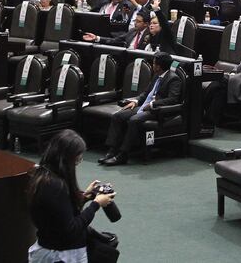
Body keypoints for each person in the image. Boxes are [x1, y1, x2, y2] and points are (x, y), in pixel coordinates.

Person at [27, 129, 116, 263]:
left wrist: (84, 197)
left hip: (52, 249)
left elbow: (59, 213)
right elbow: (71, 229)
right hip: (61, 256)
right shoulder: (55, 186)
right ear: (66, 157)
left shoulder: (43, 175)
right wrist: (96, 204)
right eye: (77, 158)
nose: (79, 161)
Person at [101, 52, 182, 166]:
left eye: (153, 63)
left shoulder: (174, 79)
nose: (152, 65)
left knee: (134, 120)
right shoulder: (156, 76)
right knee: (118, 116)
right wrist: (136, 101)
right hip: (144, 107)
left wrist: (153, 104)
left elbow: (173, 100)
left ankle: (123, 155)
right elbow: (146, 93)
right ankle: (112, 150)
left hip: (157, 111)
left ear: (159, 66)